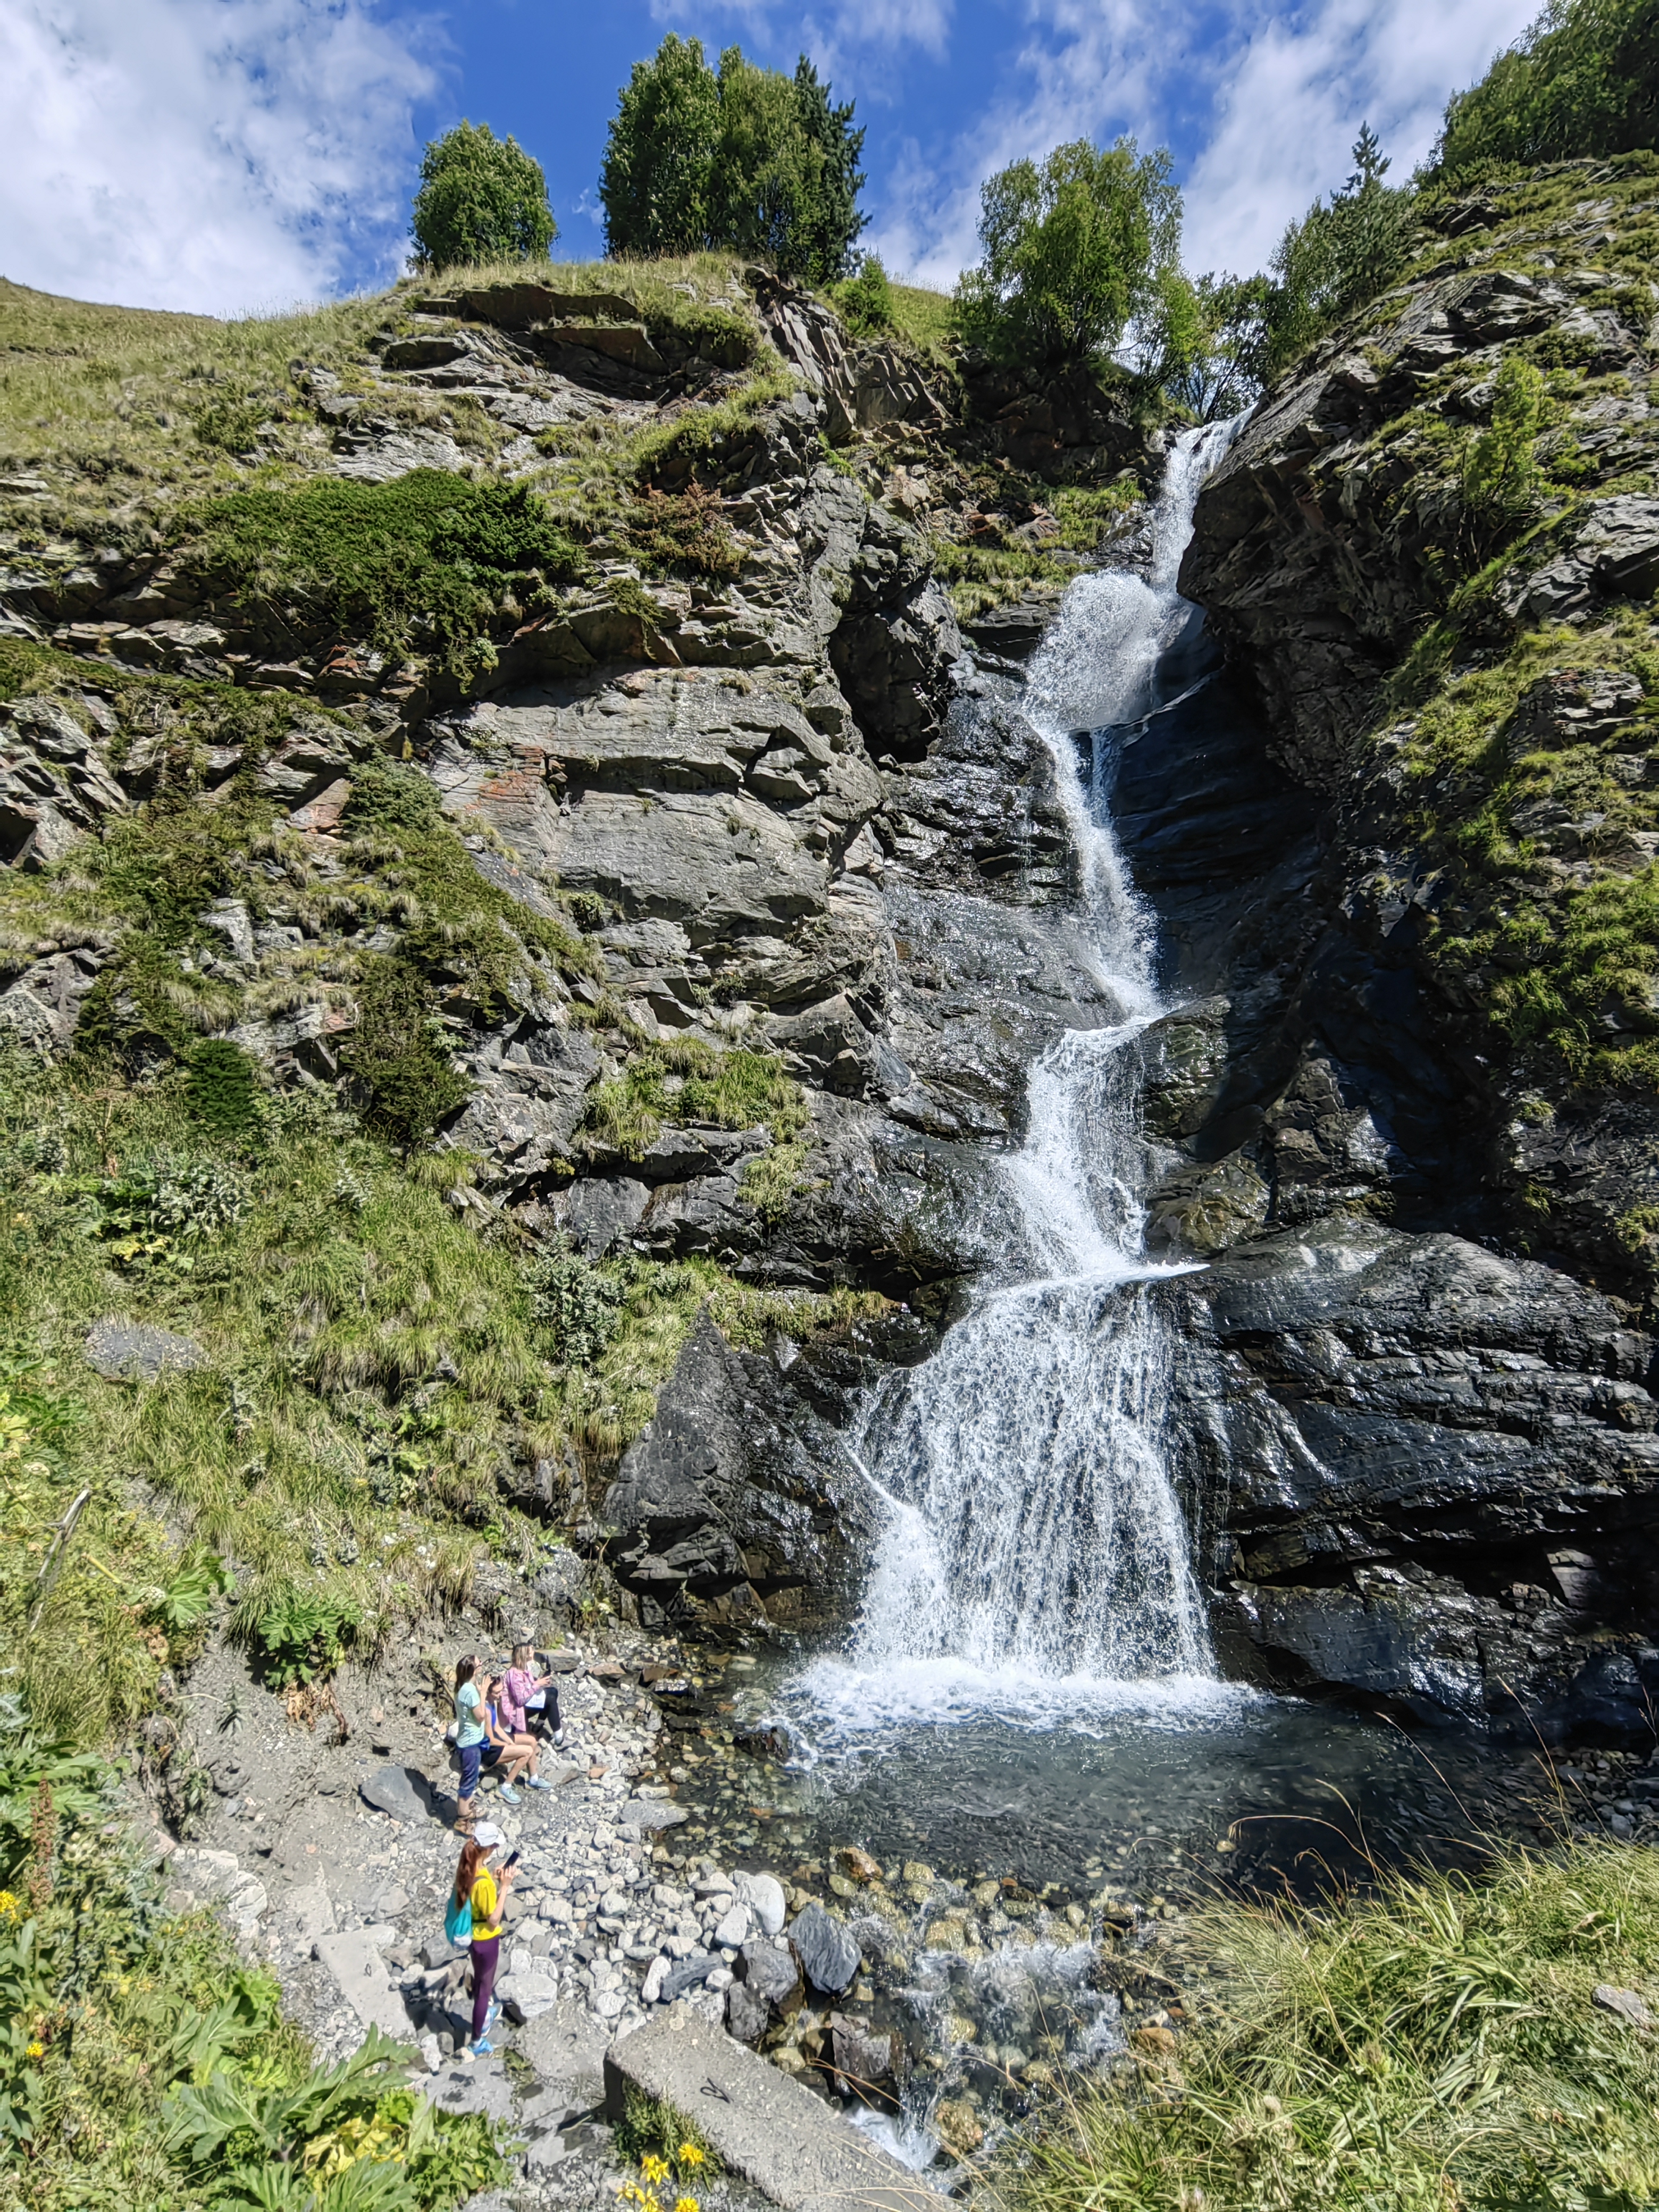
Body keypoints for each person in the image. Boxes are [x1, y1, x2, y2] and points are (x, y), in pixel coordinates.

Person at [451, 1821, 512, 2058]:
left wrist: (495, 1878)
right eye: (495, 1846)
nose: (496, 1849)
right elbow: (494, 1919)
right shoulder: (484, 1883)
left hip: (472, 1938)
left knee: (480, 1977)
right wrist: (505, 1887)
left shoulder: (469, 1868)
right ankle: (477, 2039)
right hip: (486, 1940)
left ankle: (483, 2012)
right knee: (485, 1988)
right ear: (488, 1849)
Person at [478, 1674, 542, 1804]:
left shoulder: (493, 1703)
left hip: (497, 1739)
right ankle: (506, 1786)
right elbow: (490, 1739)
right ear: (488, 1692)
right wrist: (508, 1746)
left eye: (501, 1691)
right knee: (527, 1751)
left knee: (532, 1741)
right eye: (497, 1692)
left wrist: (509, 1741)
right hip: (489, 1750)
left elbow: (497, 1728)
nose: (500, 1695)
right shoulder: (485, 1710)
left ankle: (533, 1777)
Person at [504, 1639, 565, 1748]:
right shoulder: (514, 1675)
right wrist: (538, 1684)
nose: (533, 1653)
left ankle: (539, 1724)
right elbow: (520, 1699)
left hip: (524, 1703)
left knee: (553, 1691)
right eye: (531, 1651)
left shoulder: (523, 1669)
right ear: (525, 1655)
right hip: (517, 1709)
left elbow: (529, 1686)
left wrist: (541, 1682)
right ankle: (559, 1736)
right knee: (550, 1698)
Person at [452, 1654, 487, 1832]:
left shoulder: (462, 1687)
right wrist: (484, 1692)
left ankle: (468, 1810)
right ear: (473, 1669)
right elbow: (480, 1717)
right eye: (480, 1663)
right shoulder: (471, 1691)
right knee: (468, 1783)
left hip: (466, 1741)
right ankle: (462, 1821)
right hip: (471, 1744)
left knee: (470, 1778)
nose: (482, 1666)